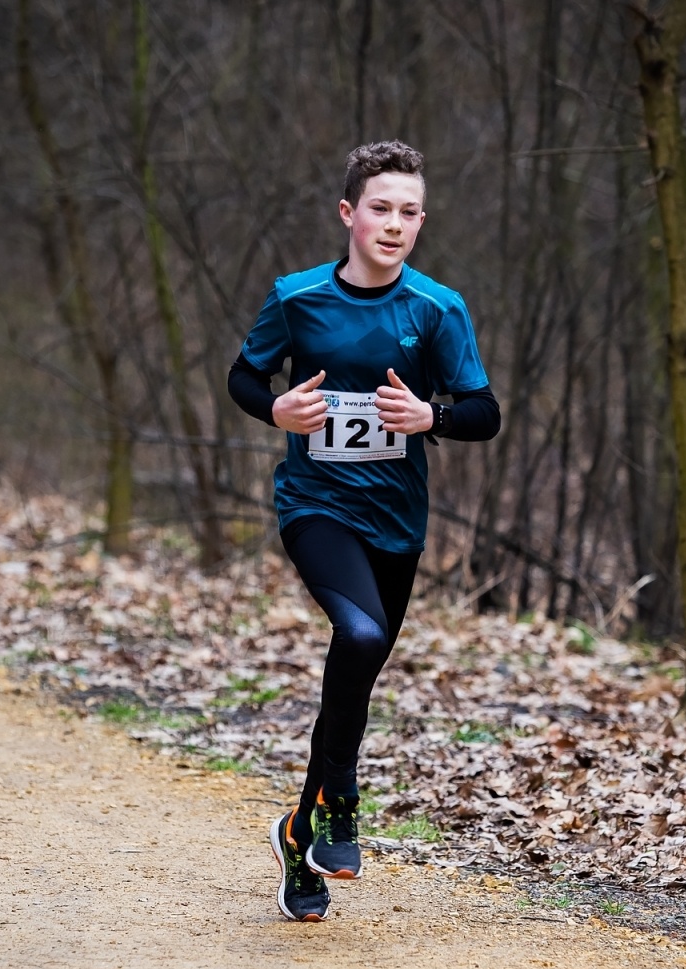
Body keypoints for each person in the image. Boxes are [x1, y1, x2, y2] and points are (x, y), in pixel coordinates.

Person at [227, 141, 500, 922]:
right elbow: (248, 376)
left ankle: (299, 834)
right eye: (380, 207)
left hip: (396, 522)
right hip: (315, 504)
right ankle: (342, 802)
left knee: (361, 667)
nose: (395, 223)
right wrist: (274, 409)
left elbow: (485, 412)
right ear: (349, 214)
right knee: (356, 631)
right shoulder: (298, 297)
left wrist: (432, 416)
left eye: (409, 211)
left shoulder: (438, 309)